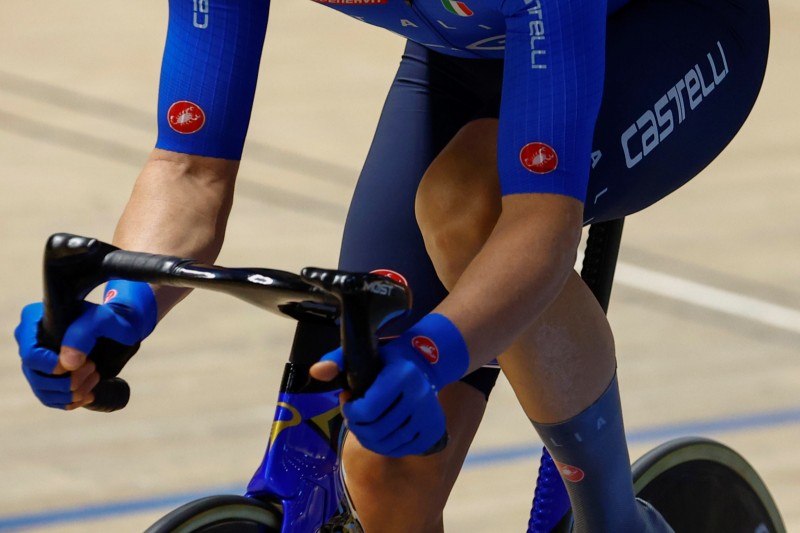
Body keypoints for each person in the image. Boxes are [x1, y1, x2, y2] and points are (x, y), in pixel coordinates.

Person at [14, 0, 770, 531]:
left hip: (671, 30)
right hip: (473, 50)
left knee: (467, 199)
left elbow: (539, 226)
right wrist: (117, 304)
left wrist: (435, 351)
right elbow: (188, 169)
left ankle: (617, 521)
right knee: (381, 471)